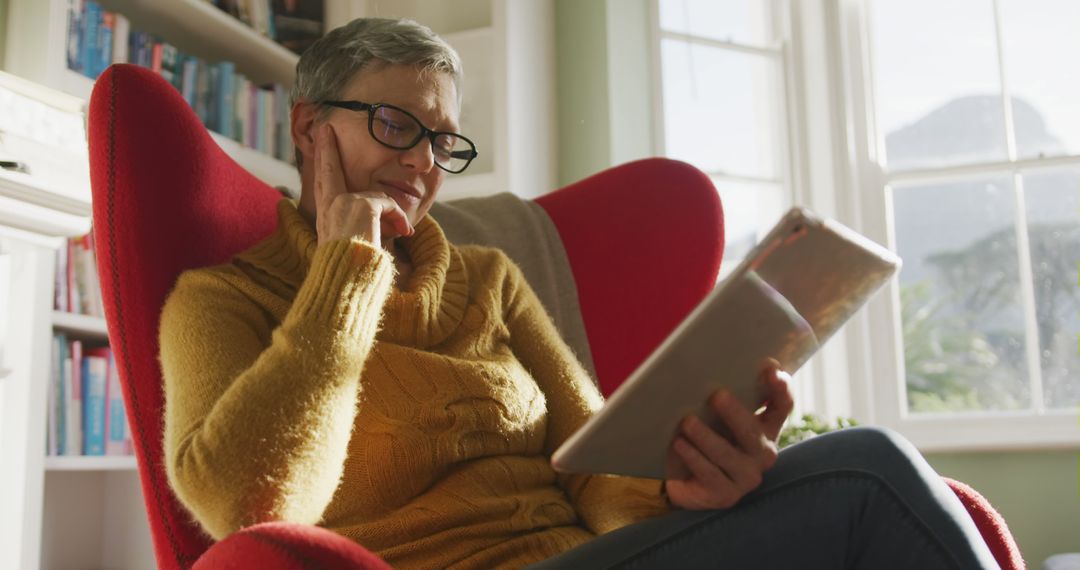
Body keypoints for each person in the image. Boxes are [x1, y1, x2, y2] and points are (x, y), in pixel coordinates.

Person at [159, 17, 1000, 569]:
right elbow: (251, 506)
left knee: (860, 476)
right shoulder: (223, 301)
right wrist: (346, 269)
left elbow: (594, 471)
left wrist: (681, 489)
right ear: (310, 127)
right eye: (395, 127)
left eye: (443, 141)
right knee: (869, 474)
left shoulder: (489, 280)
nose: (422, 163)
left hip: (588, 559)